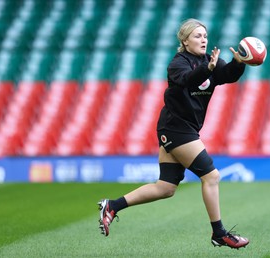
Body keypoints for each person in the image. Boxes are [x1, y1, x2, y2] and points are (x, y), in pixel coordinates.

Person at [98, 18, 249, 249]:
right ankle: (219, 233)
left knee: (165, 188)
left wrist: (239, 62)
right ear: (185, 40)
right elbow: (187, 81)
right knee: (212, 176)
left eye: (205, 36)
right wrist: (206, 70)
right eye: (197, 36)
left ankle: (112, 206)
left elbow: (227, 75)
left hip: (183, 128)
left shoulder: (209, 60)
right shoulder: (178, 63)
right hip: (175, 127)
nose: (203, 39)